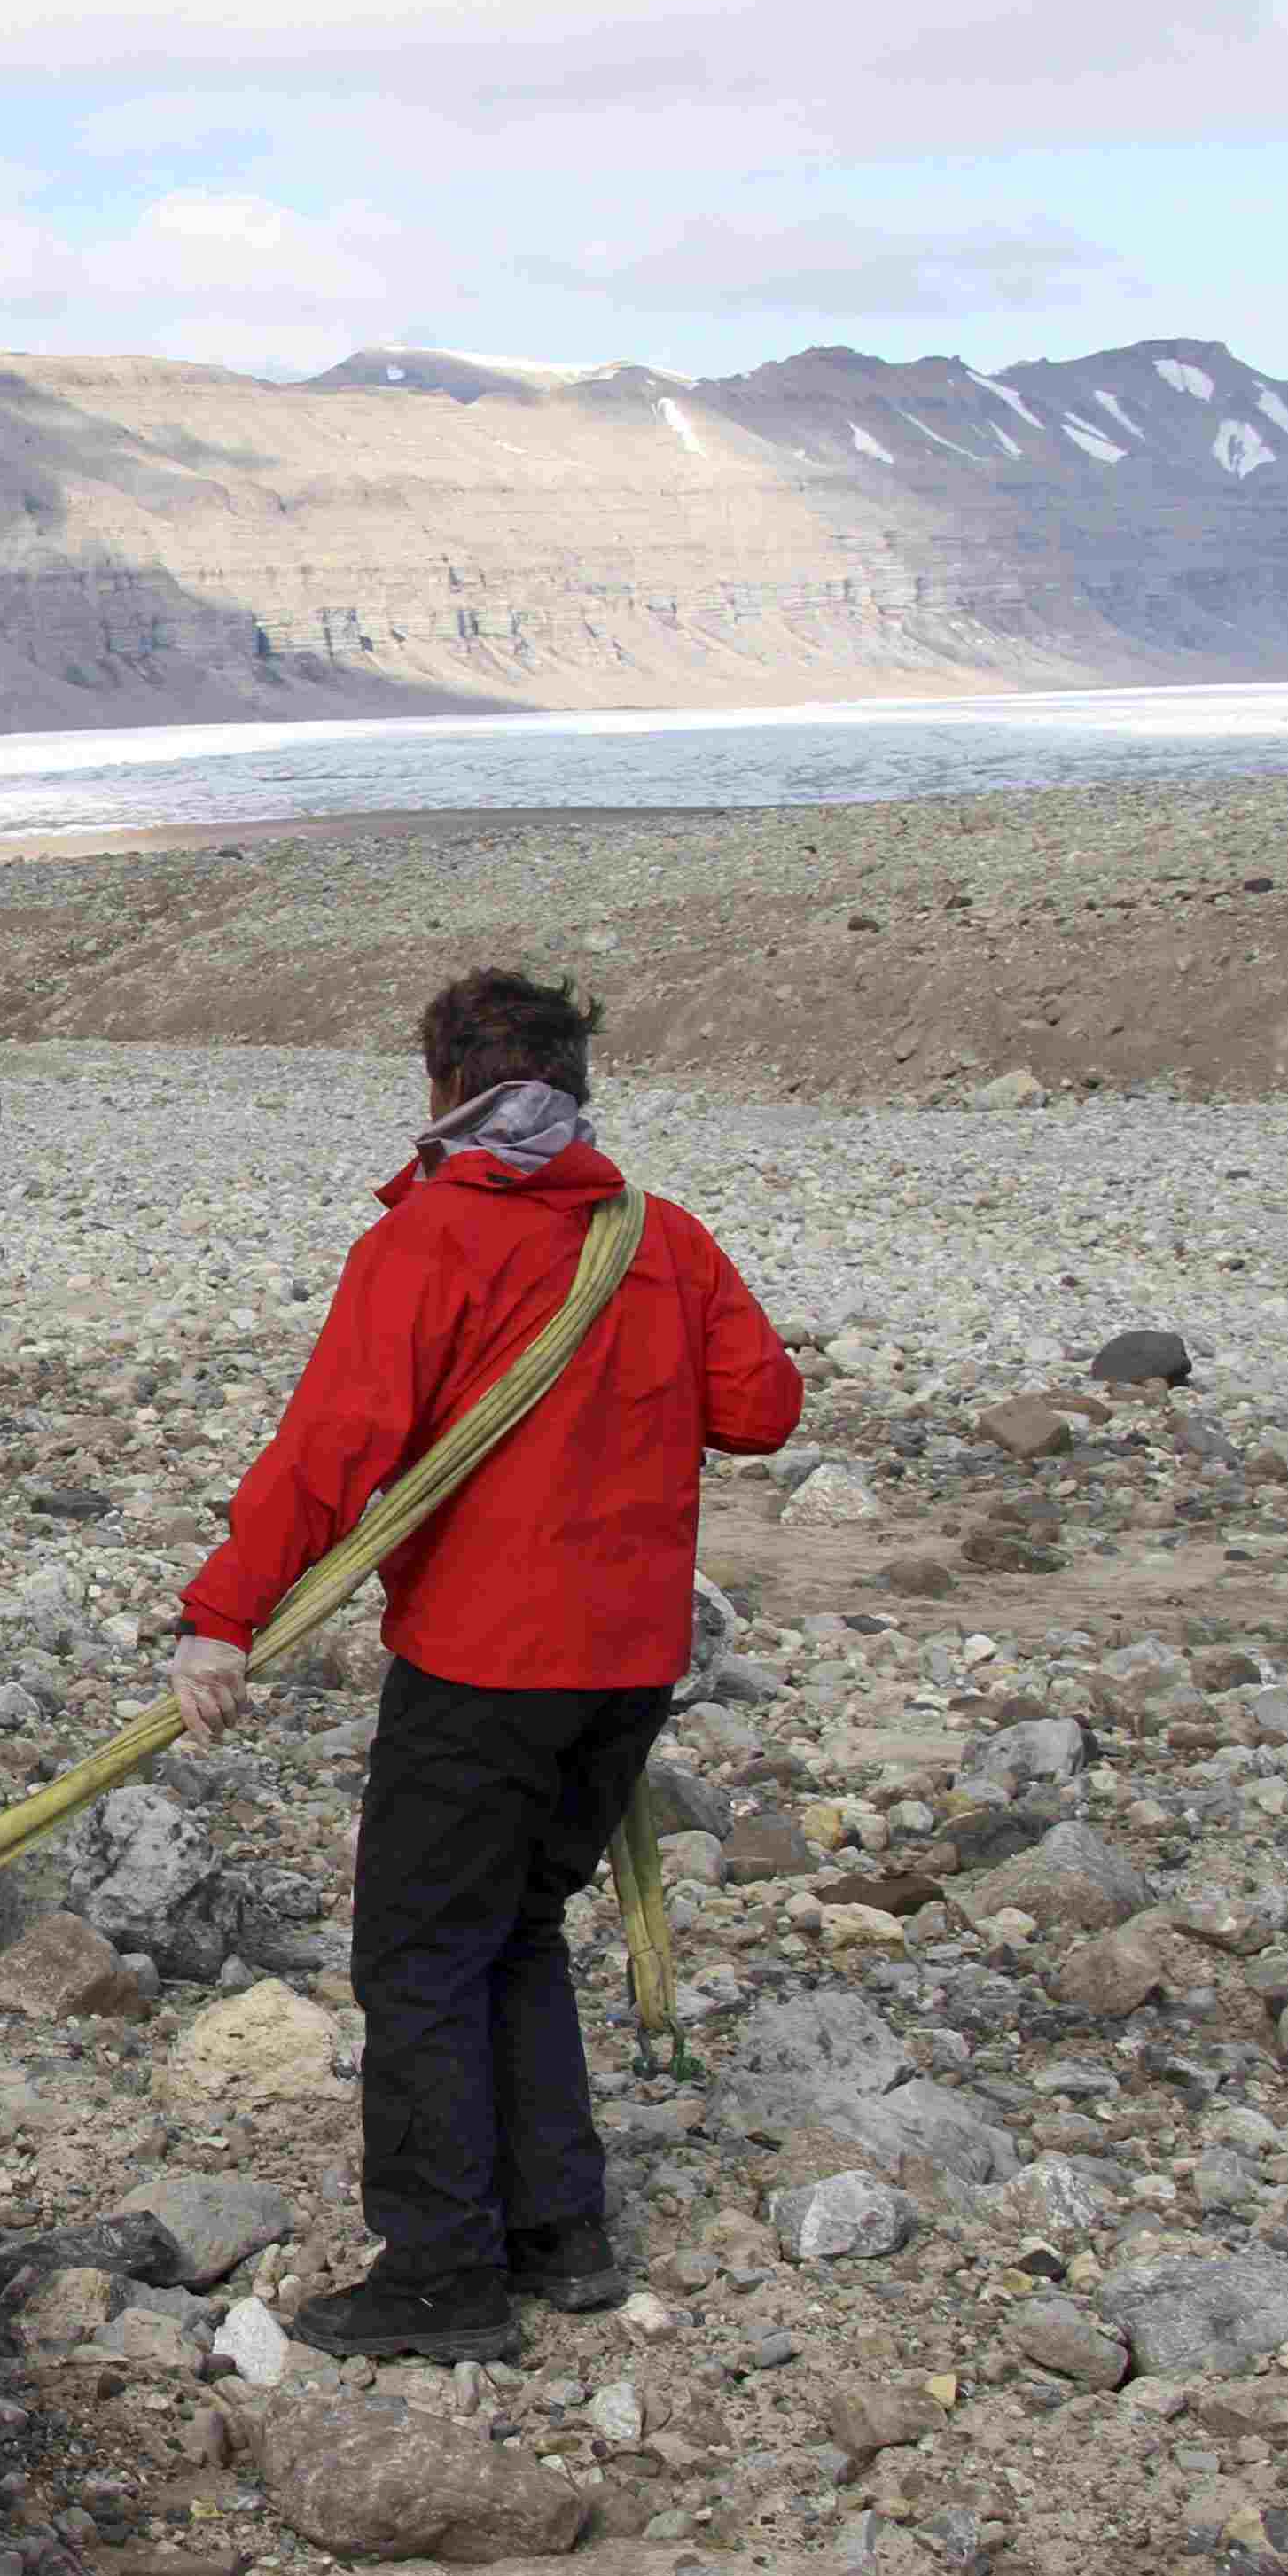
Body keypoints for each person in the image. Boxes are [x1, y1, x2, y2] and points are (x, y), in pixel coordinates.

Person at [169, 971, 803, 2363]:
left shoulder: (430, 1242)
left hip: (484, 1662)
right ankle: (558, 2233)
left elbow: (333, 1451)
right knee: (516, 1931)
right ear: (576, 1085)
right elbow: (763, 1410)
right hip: (628, 1666)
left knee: (420, 1956)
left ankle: (442, 2272)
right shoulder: (659, 1236)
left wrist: (222, 1617)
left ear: (449, 1087)